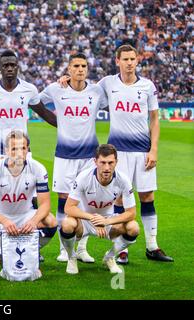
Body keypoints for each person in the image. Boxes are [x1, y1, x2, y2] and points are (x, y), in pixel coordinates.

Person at [97, 45, 173, 264]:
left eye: (133, 59)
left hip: (142, 152)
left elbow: (155, 119)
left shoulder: (147, 86)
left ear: (137, 61)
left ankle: (152, 246)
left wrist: (154, 149)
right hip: (118, 153)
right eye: (126, 59)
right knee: (120, 198)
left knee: (147, 196)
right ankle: (121, 248)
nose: (130, 63)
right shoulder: (108, 83)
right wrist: (65, 80)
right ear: (117, 61)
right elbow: (84, 89)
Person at [39, 53, 109, 263]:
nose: (80, 69)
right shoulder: (56, 89)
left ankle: (82, 248)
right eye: (76, 66)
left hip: (90, 156)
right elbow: (37, 103)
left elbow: (110, 103)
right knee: (63, 199)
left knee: (85, 200)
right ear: (68, 69)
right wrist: (55, 121)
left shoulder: (96, 91)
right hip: (64, 155)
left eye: (84, 66)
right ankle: (64, 247)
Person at [0, 130, 57, 275]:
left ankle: (31, 252)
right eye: (14, 148)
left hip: (25, 215)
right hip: (1, 216)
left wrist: (33, 221)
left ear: (28, 149)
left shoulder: (38, 168)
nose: (19, 153)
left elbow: (45, 204)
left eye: (23, 148)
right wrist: (5, 221)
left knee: (50, 221)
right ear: (6, 150)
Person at [60, 144, 140, 274]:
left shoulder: (124, 180)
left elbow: (131, 213)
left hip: (108, 220)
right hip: (85, 220)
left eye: (110, 163)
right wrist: (94, 219)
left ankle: (110, 257)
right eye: (103, 162)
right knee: (67, 223)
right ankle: (72, 257)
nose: (107, 167)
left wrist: (106, 222)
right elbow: (68, 208)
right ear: (95, 161)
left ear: (116, 162)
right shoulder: (84, 177)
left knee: (133, 227)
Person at [0, 49, 56, 156]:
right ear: (0, 68)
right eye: (5, 65)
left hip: (22, 147)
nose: (9, 68)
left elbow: (44, 113)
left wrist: (66, 126)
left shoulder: (29, 89)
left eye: (12, 65)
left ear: (17, 67)